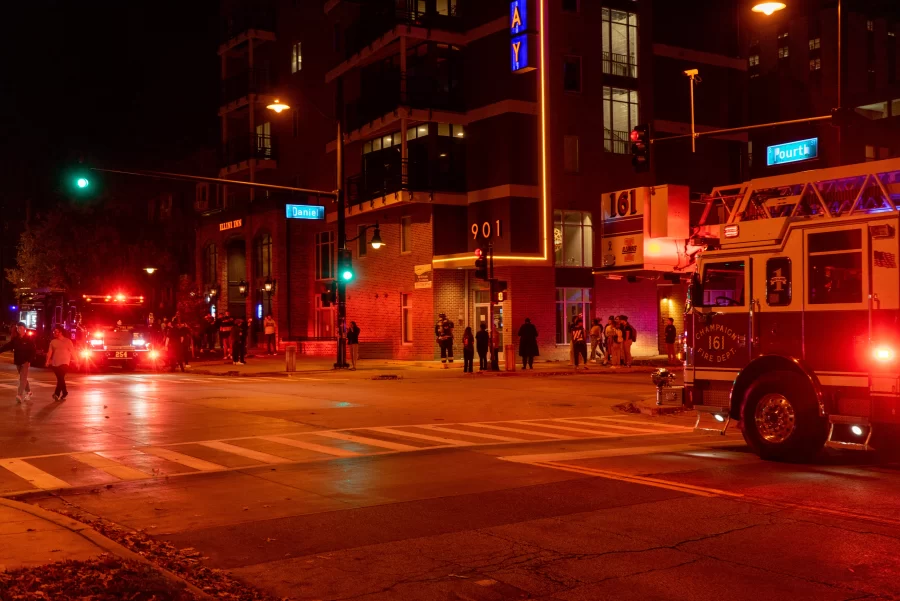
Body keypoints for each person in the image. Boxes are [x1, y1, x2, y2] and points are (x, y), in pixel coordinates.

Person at [0, 322, 35, 403]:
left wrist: (29, 360)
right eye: (18, 328)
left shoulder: (29, 339)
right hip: (18, 361)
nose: (20, 330)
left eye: (22, 328)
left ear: (25, 329)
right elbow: (8, 346)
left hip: (25, 362)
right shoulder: (16, 339)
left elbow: (33, 351)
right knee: (23, 378)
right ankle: (29, 392)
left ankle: (19, 395)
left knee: (22, 378)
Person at [46, 326, 74, 401]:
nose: (54, 333)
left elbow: (73, 351)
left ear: (60, 332)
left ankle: (57, 394)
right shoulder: (53, 342)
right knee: (60, 379)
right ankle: (64, 392)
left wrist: (77, 360)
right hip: (55, 363)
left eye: (56, 332)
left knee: (60, 378)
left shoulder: (68, 341)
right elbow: (50, 352)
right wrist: (47, 361)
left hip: (65, 363)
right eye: (54, 332)